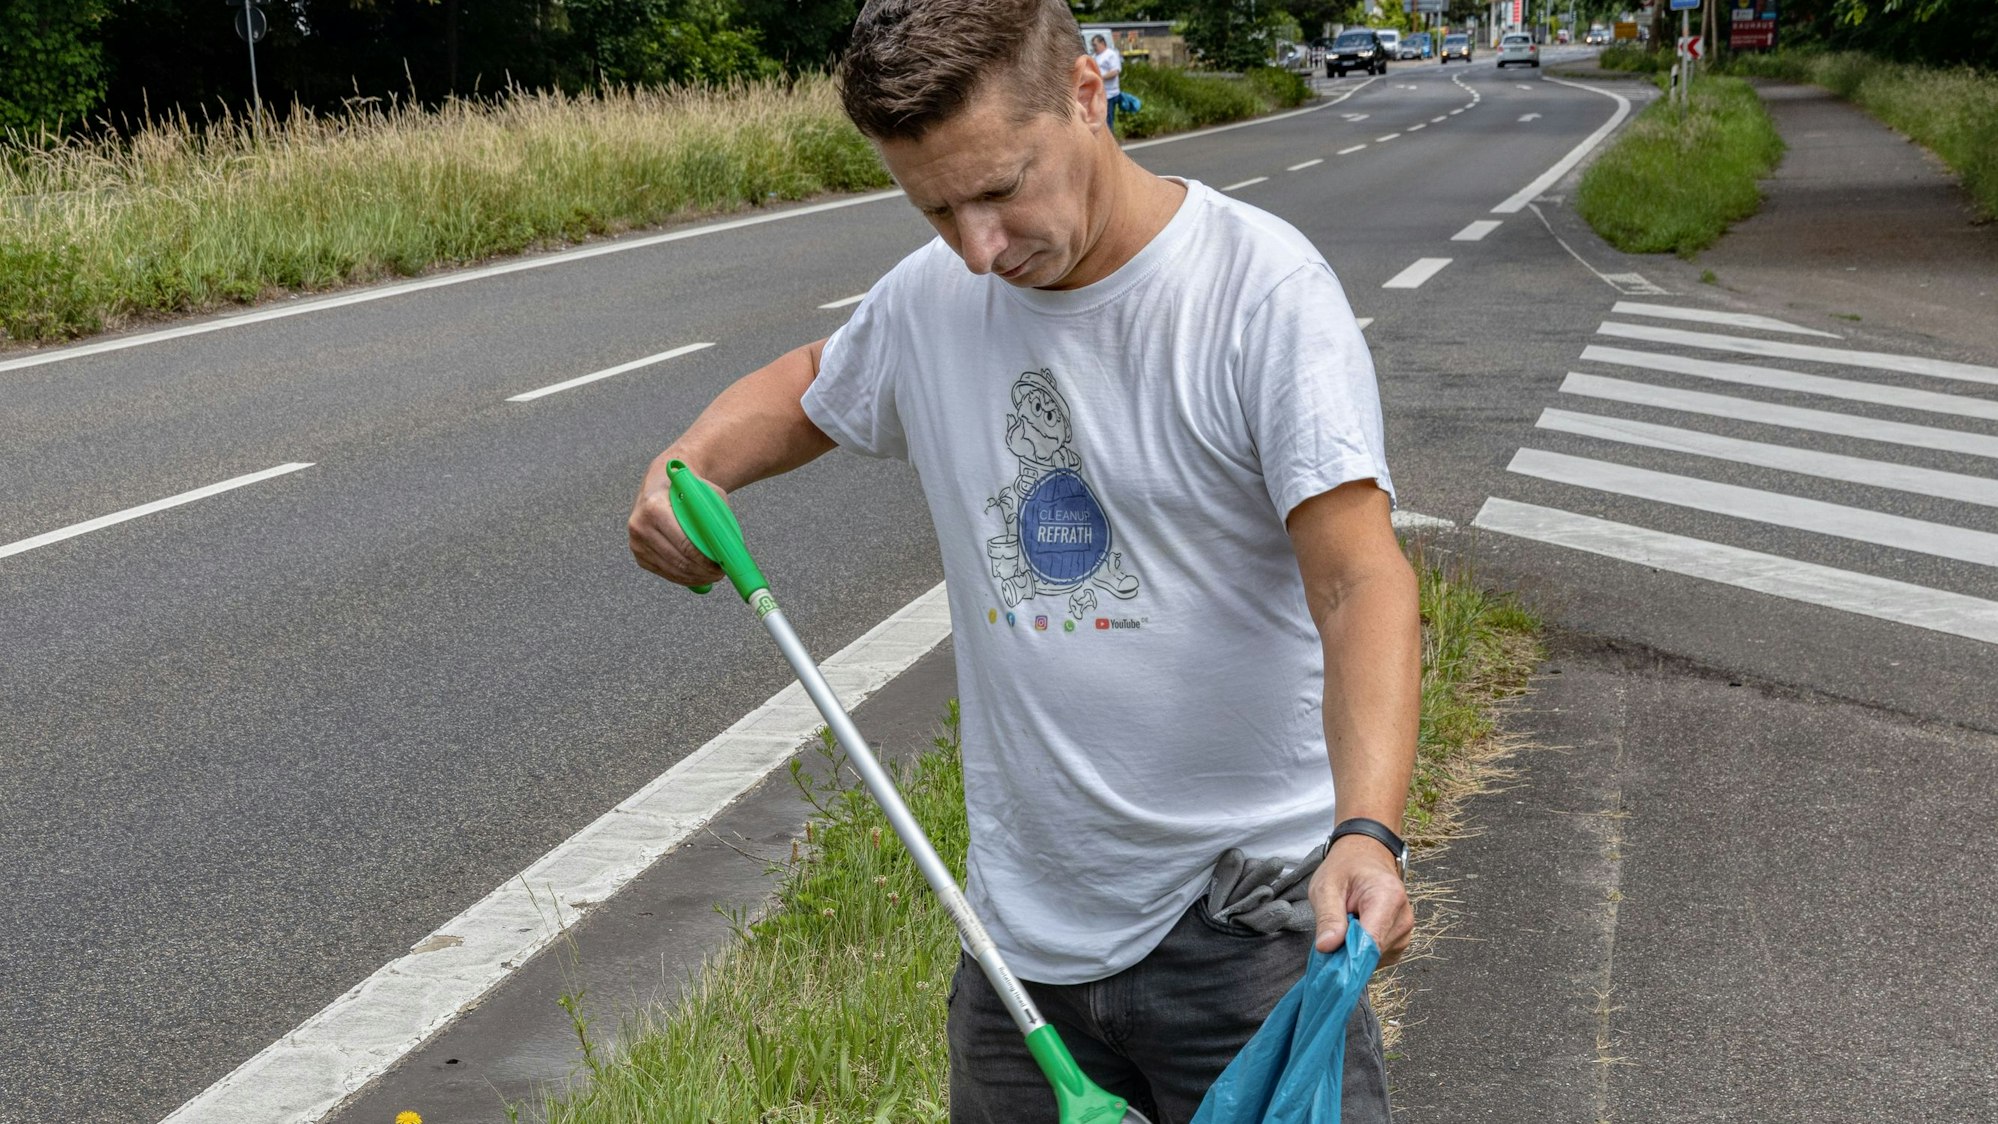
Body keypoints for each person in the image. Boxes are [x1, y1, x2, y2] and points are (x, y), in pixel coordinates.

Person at [625, 0, 1419, 1120]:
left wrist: (1368, 830)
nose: (979, 248)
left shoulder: (1260, 295)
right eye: (936, 208)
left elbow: (1359, 580)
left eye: (1000, 189)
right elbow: (813, 384)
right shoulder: (933, 299)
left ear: (1089, 93)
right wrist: (684, 463)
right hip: (1020, 951)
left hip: (1249, 936)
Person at [1090, 33, 1122, 130]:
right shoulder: (1095, 56)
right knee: (1099, 119)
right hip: (1098, 93)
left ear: (1102, 43)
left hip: (1110, 93)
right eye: (1093, 45)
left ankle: (1110, 141)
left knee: (1108, 119)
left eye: (1095, 45)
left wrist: (1100, 78)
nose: (1094, 47)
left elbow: (1115, 71)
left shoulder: (1110, 54)